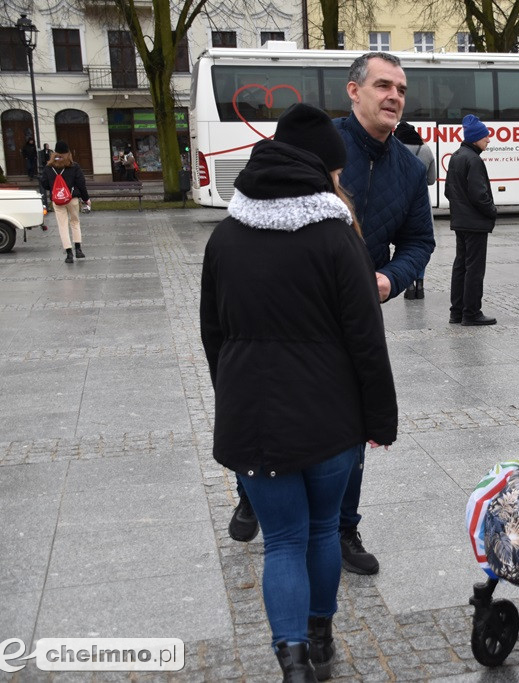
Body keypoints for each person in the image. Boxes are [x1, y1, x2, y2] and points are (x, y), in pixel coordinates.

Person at [200, 103, 398, 681]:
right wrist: (379, 420)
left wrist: (233, 395)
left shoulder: (225, 238)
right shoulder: (338, 239)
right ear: (326, 172)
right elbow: (367, 340)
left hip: (252, 421)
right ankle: (321, 637)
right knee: (318, 531)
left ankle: (291, 663)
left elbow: (213, 335)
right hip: (329, 420)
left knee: (281, 541)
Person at [226, 52, 436, 579]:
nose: (394, 97)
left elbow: (419, 241)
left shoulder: (411, 167)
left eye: (402, 90)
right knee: (264, 398)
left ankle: (343, 526)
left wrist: (390, 278)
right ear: (354, 91)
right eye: (384, 85)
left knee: (352, 421)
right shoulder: (317, 142)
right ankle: (252, 489)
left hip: (353, 313)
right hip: (285, 302)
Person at [446, 113, 498, 326]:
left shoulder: (457, 156)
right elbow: (479, 195)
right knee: (474, 269)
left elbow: (449, 191)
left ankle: (456, 312)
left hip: (460, 221)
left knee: (461, 266)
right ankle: (471, 313)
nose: (488, 139)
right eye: (485, 136)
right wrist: (492, 210)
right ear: (476, 137)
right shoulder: (473, 160)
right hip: (475, 223)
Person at [393, 120, 436, 300]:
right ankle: (420, 284)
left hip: (398, 200)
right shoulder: (425, 150)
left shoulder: (394, 148)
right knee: (419, 242)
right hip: (421, 201)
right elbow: (431, 180)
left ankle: (408, 286)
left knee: (403, 244)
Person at [41, 141, 90, 264]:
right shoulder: (73, 166)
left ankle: (69, 254)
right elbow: (81, 184)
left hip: (57, 200)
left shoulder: (49, 167)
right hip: (72, 199)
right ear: (68, 152)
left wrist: (54, 189)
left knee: (62, 225)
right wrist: (86, 199)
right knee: (75, 222)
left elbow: (44, 183)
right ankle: (78, 250)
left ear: (55, 153)